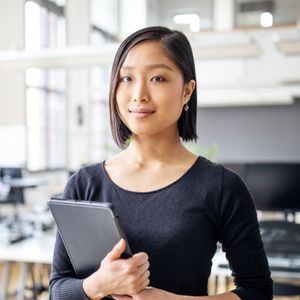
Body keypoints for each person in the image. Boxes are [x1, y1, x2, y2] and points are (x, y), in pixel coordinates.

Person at [49, 26, 273, 300]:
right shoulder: (84, 184)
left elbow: (257, 292)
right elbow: (58, 290)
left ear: (187, 91)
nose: (139, 94)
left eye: (157, 78)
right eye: (127, 78)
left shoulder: (221, 187)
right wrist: (98, 285)